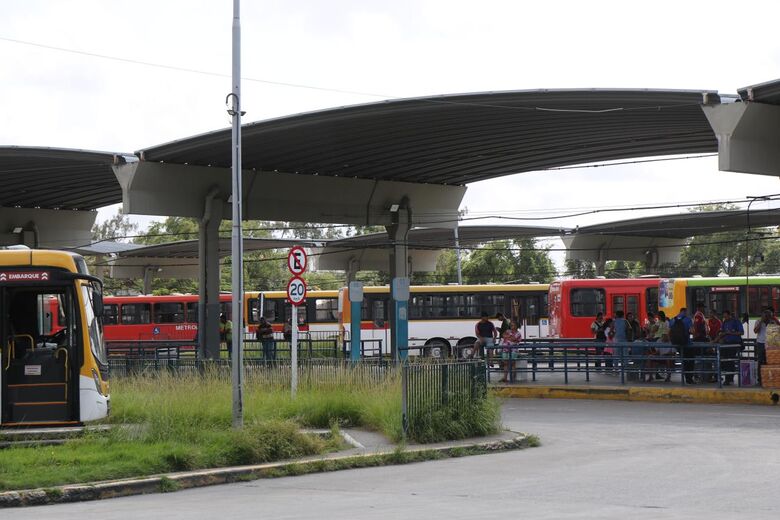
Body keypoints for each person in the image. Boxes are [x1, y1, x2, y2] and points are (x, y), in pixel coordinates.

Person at [712, 309, 744, 385]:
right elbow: (722, 332)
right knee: (725, 361)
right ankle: (727, 377)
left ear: (730, 315)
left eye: (726, 316)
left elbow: (741, 332)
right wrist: (716, 339)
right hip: (725, 344)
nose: (725, 318)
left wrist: (730, 333)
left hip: (734, 343)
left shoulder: (736, 322)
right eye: (724, 317)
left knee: (730, 361)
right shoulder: (725, 322)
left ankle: (729, 378)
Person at [753, 308, 780, 384]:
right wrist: (761, 321)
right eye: (766, 316)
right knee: (760, 361)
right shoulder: (758, 321)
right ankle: (760, 379)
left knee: (771, 361)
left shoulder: (773, 321)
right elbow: (755, 331)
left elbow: (777, 331)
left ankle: (770, 378)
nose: (767, 317)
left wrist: (773, 321)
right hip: (761, 343)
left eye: (769, 316)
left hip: (771, 344)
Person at [669, 308, 695, 383]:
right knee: (690, 361)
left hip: (677, 344)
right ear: (685, 312)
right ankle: (689, 378)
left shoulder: (673, 319)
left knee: (683, 360)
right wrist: (691, 337)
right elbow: (692, 331)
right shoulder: (688, 319)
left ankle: (685, 377)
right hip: (687, 344)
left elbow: (669, 332)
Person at [654, 311, 674, 381]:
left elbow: (654, 330)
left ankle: (666, 376)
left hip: (659, 340)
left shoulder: (660, 323)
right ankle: (654, 375)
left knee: (668, 359)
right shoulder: (666, 322)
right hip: (660, 341)